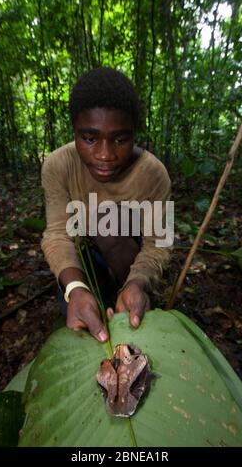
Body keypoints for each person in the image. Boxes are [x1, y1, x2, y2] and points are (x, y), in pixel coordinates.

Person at [41, 67, 172, 343]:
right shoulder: (58, 165)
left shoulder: (154, 174)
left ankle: (130, 294)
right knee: (76, 321)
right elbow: (56, 234)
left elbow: (159, 242)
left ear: (134, 133)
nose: (105, 154)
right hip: (85, 256)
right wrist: (76, 288)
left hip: (129, 252)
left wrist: (138, 282)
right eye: (89, 139)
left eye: (120, 139)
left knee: (108, 225)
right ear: (75, 132)